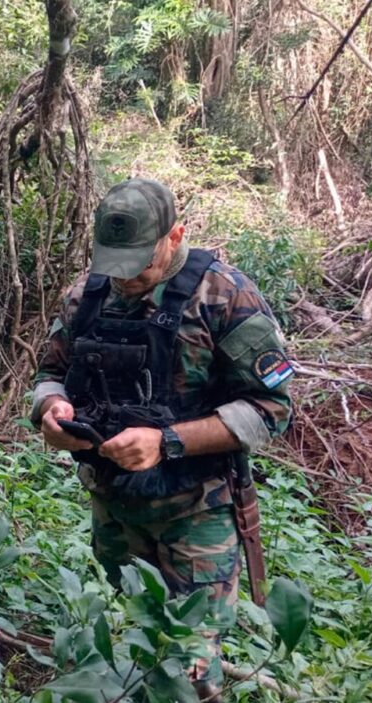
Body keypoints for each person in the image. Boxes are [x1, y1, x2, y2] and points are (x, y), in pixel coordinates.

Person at [30, 179, 293, 698]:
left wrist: (167, 440)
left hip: (197, 512)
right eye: (116, 265)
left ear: (176, 235)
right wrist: (50, 409)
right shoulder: (87, 295)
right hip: (115, 508)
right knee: (139, 639)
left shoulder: (225, 295)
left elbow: (272, 409)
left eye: (139, 267)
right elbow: (50, 371)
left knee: (189, 668)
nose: (126, 281)